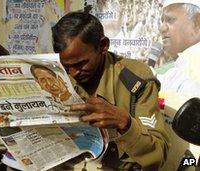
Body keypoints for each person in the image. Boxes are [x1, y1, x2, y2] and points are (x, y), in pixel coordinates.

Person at [50, 10, 169, 170]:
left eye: (81, 64)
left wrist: (125, 123)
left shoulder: (136, 80)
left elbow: (158, 154)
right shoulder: (55, 77)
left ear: (103, 46)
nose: (73, 73)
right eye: (66, 66)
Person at [158, 0, 200, 96]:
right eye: (162, 21)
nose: (162, 28)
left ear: (197, 22)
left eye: (170, 20)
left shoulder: (193, 67)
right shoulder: (181, 64)